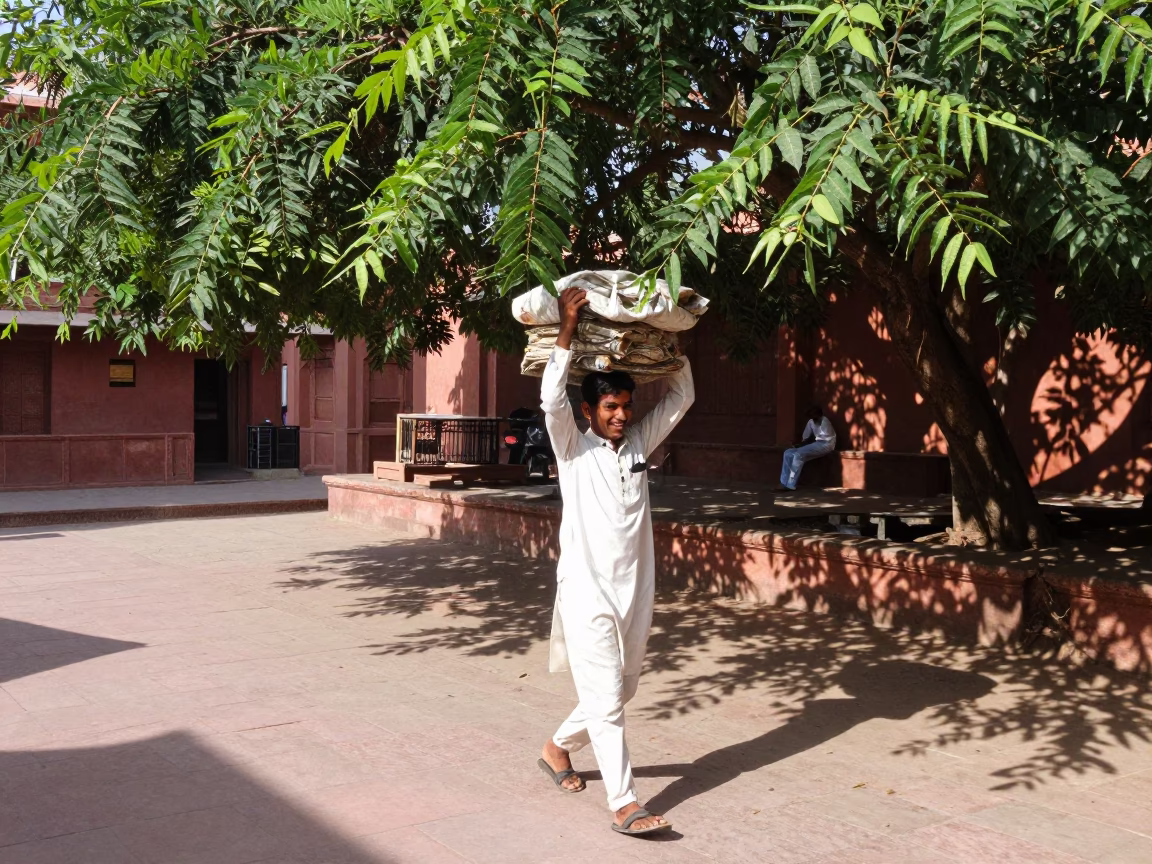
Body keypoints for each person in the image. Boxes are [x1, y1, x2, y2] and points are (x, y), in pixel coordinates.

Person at [536, 285, 694, 837]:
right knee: (608, 701)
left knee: (621, 691)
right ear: (589, 411)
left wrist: (671, 344)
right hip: (587, 594)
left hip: (636, 592)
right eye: (610, 407)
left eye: (626, 406)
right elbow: (550, 401)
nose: (622, 415)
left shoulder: (638, 448)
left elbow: (680, 400)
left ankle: (557, 747)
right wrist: (565, 331)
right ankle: (625, 804)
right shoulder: (572, 449)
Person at [779, 406, 836, 491]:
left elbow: (813, 438)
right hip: (815, 444)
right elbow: (806, 437)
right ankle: (783, 482)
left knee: (799, 454)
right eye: (812, 416)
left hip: (826, 444)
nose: (814, 418)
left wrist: (800, 446)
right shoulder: (811, 422)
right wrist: (797, 445)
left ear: (820, 415)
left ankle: (791, 484)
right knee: (788, 453)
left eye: (816, 416)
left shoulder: (825, 421)